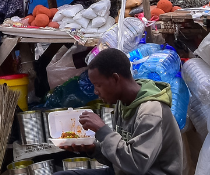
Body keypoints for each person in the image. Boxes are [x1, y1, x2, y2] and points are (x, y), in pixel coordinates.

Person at [54, 48, 183, 175]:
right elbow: (121, 159)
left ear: (115, 79)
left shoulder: (150, 111)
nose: (95, 92)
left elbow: (136, 166)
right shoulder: (122, 103)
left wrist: (102, 131)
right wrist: (93, 149)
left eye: (98, 85)